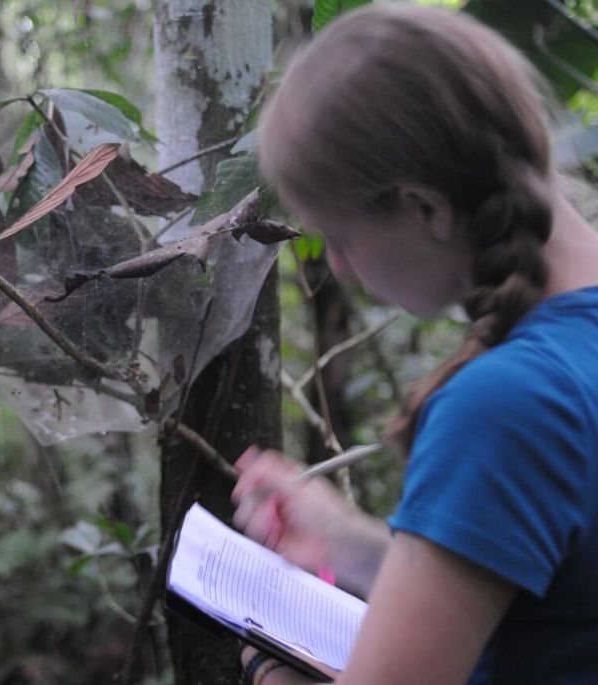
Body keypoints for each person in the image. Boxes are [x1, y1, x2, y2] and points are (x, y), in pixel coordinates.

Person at [230, 4, 598, 684]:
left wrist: (270, 669)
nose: (336, 266)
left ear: (424, 207)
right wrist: (357, 546)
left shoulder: (507, 403)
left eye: (337, 237)